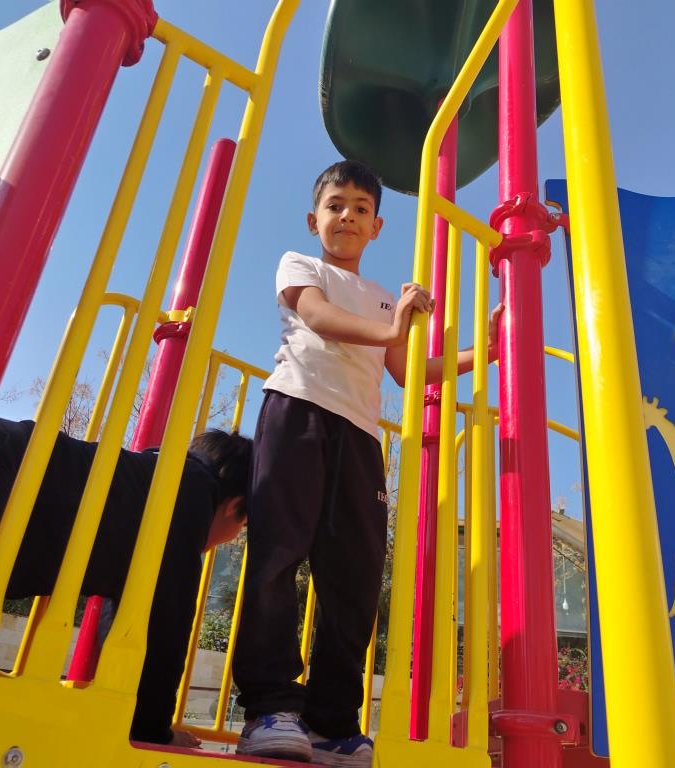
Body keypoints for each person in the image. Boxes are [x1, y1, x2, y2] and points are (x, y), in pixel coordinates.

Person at [233, 159, 501, 766]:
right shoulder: (301, 267)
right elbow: (318, 317)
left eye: (361, 208)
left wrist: (482, 350)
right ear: (314, 220)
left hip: (358, 434)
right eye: (335, 206)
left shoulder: (383, 300)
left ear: (377, 227)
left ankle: (330, 723)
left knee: (354, 576)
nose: (348, 216)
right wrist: (395, 327)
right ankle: (269, 707)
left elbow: (410, 372)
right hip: (297, 411)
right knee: (278, 554)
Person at [0, 415, 252, 747]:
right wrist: (151, 730)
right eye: (242, 526)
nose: (232, 538)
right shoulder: (188, 497)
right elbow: (165, 627)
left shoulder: (153, 475)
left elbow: (125, 616)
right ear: (233, 507)